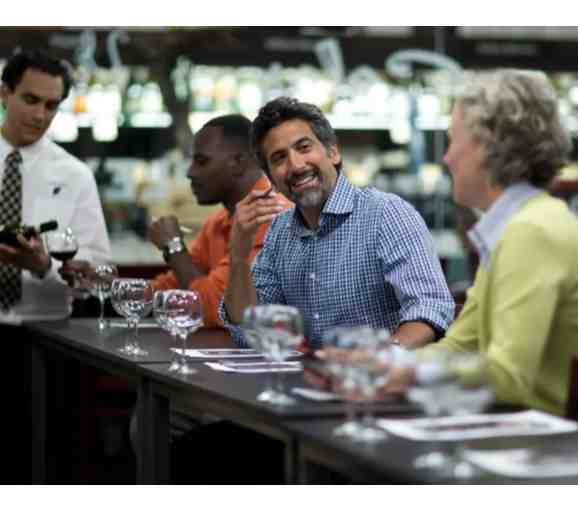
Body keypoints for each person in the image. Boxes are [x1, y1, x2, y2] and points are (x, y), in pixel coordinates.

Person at [383, 69, 578, 416]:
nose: (446, 158)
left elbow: (507, 375)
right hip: (553, 431)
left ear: (489, 145)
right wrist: (381, 364)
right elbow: (460, 346)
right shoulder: (518, 225)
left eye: (453, 140)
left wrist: (407, 373)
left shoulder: (533, 230)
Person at [220, 96, 455, 350]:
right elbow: (252, 332)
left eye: (304, 147)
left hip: (384, 371)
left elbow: (429, 307)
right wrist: (239, 253)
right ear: (271, 180)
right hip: (314, 374)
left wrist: (378, 360)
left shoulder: (386, 214)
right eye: (279, 158)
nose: (295, 165)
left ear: (332, 152)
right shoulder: (280, 231)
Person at [65, 114, 292, 328]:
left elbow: (216, 308)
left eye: (201, 161)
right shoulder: (219, 221)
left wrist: (173, 247)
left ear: (239, 162)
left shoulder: (270, 216)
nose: (190, 172)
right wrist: (110, 286)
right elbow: (173, 287)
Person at [0, 49, 110, 482]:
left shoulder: (75, 175)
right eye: (30, 100)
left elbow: (99, 271)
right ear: (4, 93)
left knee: (38, 466)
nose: (40, 115)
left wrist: (45, 265)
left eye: (51, 105)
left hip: (43, 340)